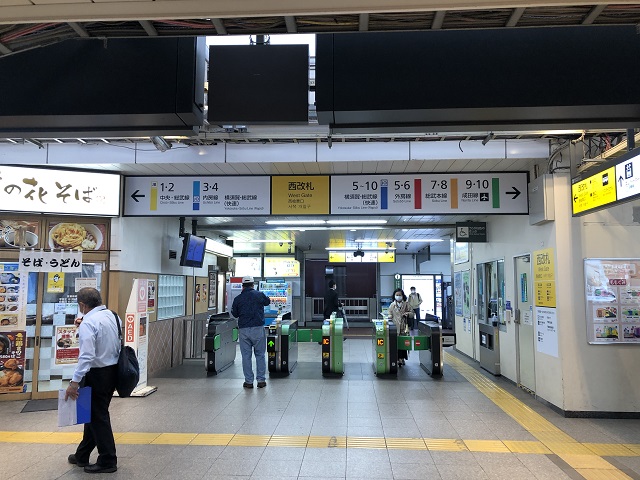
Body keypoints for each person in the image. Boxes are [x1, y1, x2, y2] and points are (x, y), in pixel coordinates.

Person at [65, 287, 120, 474]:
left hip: (96, 374)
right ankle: (82, 454)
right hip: (112, 372)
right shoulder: (113, 316)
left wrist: (74, 382)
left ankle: (108, 460)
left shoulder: (89, 322)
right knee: (92, 414)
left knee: (98, 417)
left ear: (82, 305)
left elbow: (86, 356)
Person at [231, 276, 271, 389]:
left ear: (242, 286)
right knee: (260, 355)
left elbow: (235, 314)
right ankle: (261, 380)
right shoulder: (259, 295)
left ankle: (248, 381)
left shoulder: (238, 298)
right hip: (258, 328)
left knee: (246, 356)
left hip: (244, 329)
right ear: (253, 285)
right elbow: (267, 302)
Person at [387, 287, 414, 366]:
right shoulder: (392, 305)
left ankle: (402, 359)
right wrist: (389, 316)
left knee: (403, 343)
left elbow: (412, 313)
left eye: (400, 295)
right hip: (395, 327)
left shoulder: (406, 304)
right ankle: (396, 358)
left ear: (402, 296)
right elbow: (389, 313)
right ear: (394, 296)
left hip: (403, 327)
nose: (398, 296)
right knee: (395, 343)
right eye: (397, 295)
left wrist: (408, 314)